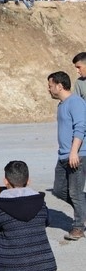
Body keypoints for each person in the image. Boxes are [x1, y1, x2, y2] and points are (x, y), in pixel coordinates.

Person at [0, 160, 56, 271]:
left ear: (5, 181)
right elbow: (48, 221)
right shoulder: (40, 202)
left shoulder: (0, 205)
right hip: (44, 268)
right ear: (28, 181)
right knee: (34, 234)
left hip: (11, 266)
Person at [47, 71, 86, 241]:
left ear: (60, 86)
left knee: (76, 193)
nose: (48, 89)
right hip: (63, 155)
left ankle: (78, 227)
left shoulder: (76, 102)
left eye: (50, 86)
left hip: (76, 155)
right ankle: (83, 209)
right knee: (59, 190)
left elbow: (80, 128)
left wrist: (74, 152)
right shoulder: (61, 104)